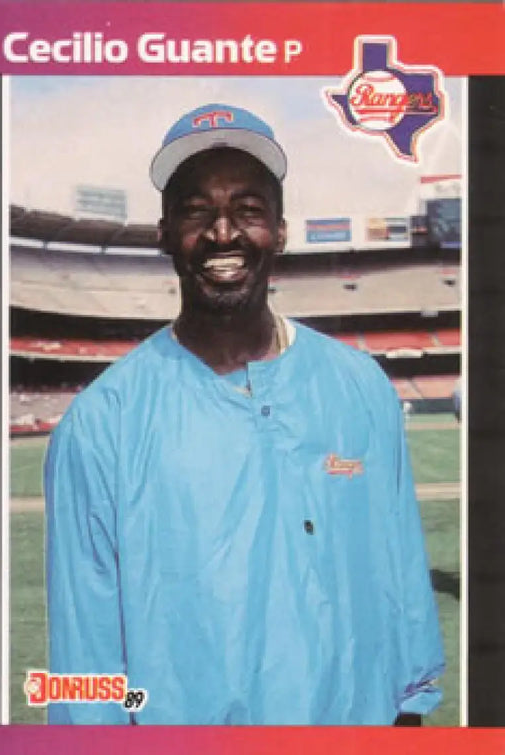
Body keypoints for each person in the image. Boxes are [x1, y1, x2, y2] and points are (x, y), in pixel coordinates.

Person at [45, 103, 444, 725]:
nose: (222, 232)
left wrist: (411, 708)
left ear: (280, 230)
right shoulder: (102, 423)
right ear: (164, 233)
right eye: (196, 211)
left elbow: (400, 570)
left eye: (249, 210)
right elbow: (85, 652)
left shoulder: (360, 385)